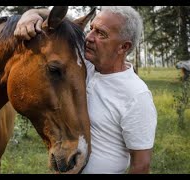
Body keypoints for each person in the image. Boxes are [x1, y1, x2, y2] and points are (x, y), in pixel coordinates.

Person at [14, 6, 157, 174]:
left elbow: (141, 165)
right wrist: (29, 15)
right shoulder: (82, 66)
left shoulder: (136, 95)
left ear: (123, 47)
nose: (88, 37)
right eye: (91, 29)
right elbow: (59, 19)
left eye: (101, 33)